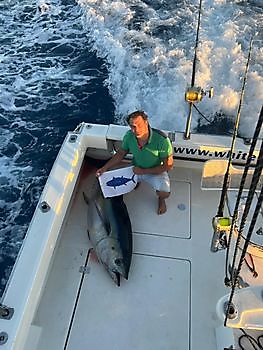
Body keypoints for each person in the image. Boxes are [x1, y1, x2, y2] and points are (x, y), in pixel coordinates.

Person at [96, 111, 173, 215]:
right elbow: (121, 153)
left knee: (165, 193)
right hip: (135, 168)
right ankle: (137, 181)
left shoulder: (162, 140)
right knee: (109, 180)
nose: (135, 130)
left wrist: (144, 171)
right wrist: (105, 168)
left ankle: (161, 199)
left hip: (155, 171)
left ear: (146, 122)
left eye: (139, 125)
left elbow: (168, 165)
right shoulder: (129, 136)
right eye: (132, 126)